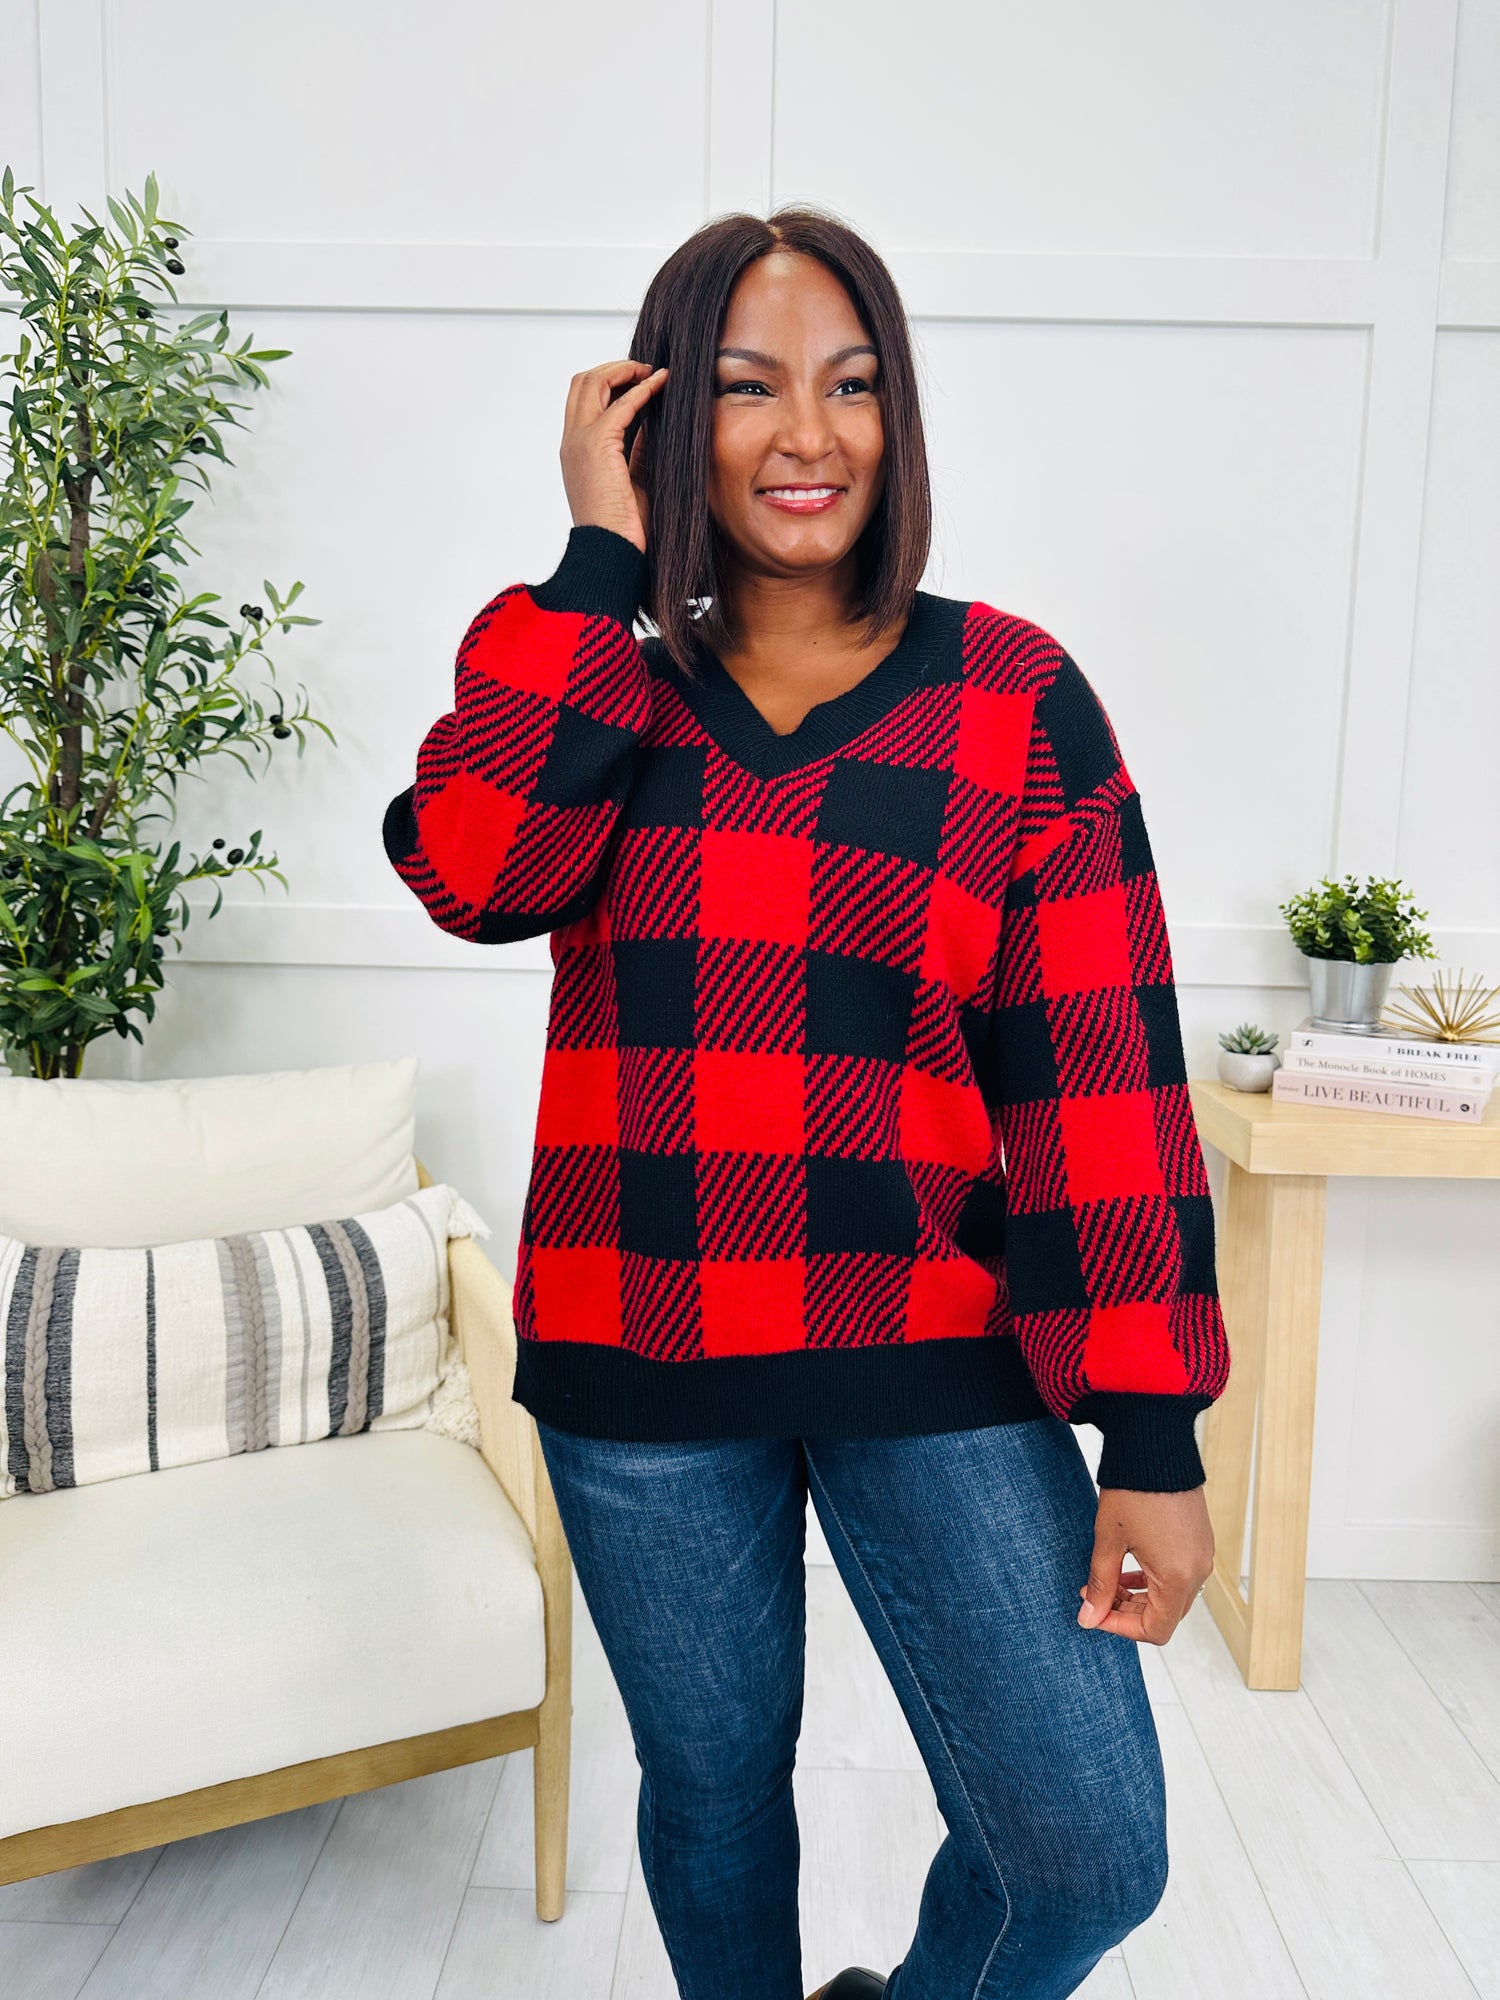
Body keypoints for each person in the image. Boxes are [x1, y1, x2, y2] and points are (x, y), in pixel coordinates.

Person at [384, 207, 1230, 2000]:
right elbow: (477, 869)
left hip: (931, 1344)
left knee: (1087, 1848)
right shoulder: (592, 673)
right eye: (746, 387)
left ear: (895, 415)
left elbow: (1100, 1076)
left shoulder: (1010, 698)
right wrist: (595, 560)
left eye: (850, 386)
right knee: (711, 1796)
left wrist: (1153, 1438)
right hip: (640, 1353)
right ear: (661, 419)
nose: (807, 435)